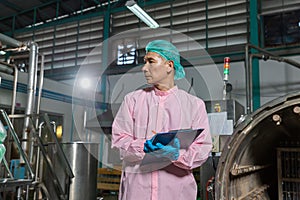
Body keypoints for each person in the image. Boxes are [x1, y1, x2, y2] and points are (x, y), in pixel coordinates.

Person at [111, 39, 212, 200]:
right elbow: (118, 142)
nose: (144, 68)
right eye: (144, 62)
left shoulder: (194, 105)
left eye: (151, 61)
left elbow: (203, 148)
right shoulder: (132, 100)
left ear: (169, 66)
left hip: (176, 192)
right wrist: (143, 146)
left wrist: (176, 155)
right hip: (137, 191)